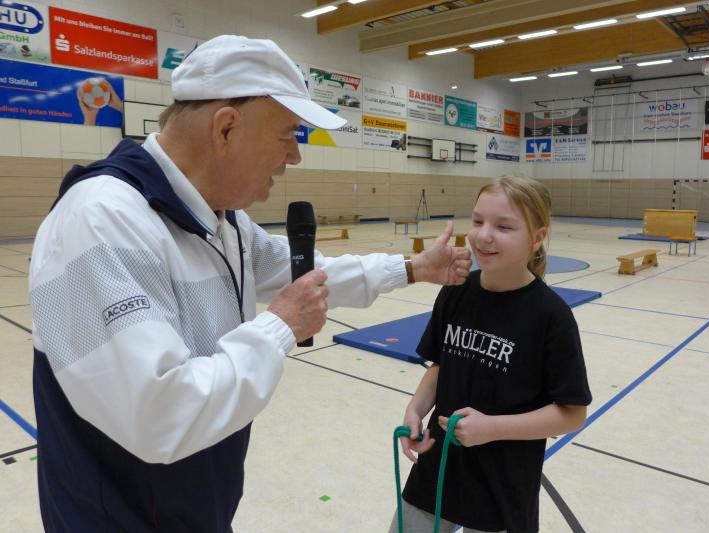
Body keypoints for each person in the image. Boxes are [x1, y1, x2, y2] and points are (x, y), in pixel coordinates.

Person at [29, 35, 471, 532]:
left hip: (192, 508)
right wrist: (279, 326)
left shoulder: (222, 220)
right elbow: (160, 414)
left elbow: (304, 272)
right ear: (225, 128)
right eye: (287, 135)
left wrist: (412, 268)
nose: (294, 156)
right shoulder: (102, 221)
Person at [391, 177, 592, 533]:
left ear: (537, 238)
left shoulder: (551, 317)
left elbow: (572, 414)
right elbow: (441, 365)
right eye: (478, 221)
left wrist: (493, 428)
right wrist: (415, 409)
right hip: (439, 466)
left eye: (503, 227)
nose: (483, 235)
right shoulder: (455, 292)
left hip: (503, 485)